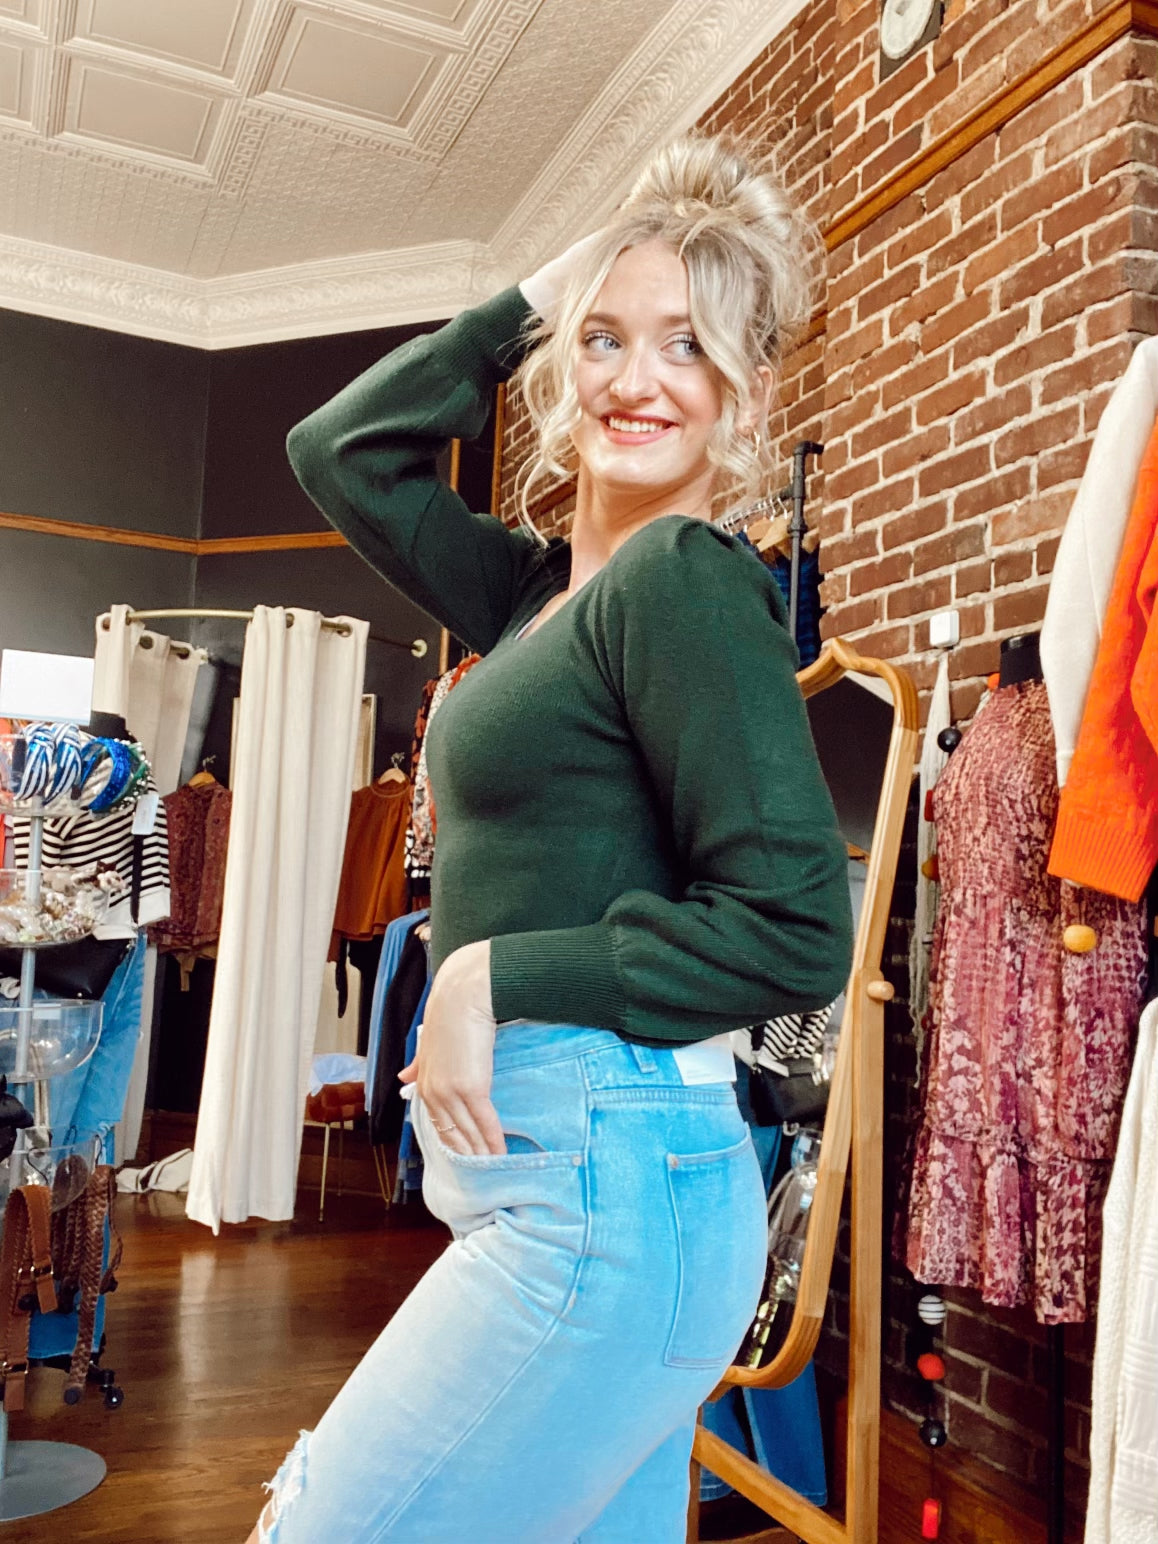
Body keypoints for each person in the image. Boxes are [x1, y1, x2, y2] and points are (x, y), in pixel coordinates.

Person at [248, 132, 853, 1543]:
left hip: (609, 1199)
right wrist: (548, 284)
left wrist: (489, 974)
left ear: (745, 390)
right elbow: (337, 453)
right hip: (570, 1190)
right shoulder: (538, 597)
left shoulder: (679, 580)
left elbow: (794, 928)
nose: (638, 380)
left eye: (687, 346)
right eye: (605, 338)